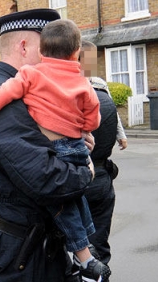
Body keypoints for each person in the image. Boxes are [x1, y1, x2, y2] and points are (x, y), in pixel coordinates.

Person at [0, 19, 113, 282]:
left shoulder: (25, 87)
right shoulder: (3, 100)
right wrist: (86, 172)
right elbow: (48, 180)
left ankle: (85, 253)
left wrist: (75, 134)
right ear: (24, 47)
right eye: (45, 46)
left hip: (34, 240)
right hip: (25, 247)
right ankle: (85, 256)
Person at [78, 40, 123, 281]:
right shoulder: (104, 96)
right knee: (100, 242)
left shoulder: (71, 99)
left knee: (77, 247)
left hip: (77, 180)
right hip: (103, 179)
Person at [80, 40, 128, 150]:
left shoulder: (100, 83)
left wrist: (121, 135)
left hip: (101, 134)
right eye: (88, 59)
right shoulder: (72, 83)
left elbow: (113, 111)